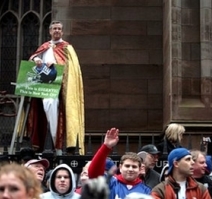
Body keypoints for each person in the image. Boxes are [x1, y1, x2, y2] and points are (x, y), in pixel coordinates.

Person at [27, 20, 84, 155]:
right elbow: (32, 60)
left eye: (59, 29)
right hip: (43, 87)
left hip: (59, 88)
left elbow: (73, 69)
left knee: (52, 107)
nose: (57, 31)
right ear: (50, 31)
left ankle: (58, 147)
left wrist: (57, 66)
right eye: (54, 29)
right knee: (45, 109)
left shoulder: (67, 48)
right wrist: (36, 59)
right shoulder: (45, 46)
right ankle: (46, 145)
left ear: (62, 32)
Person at [88, 128, 151, 199]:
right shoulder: (110, 182)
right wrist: (106, 147)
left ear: (140, 169)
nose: (130, 169)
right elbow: (93, 174)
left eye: (134, 167)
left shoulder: (147, 191)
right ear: (120, 168)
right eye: (127, 166)